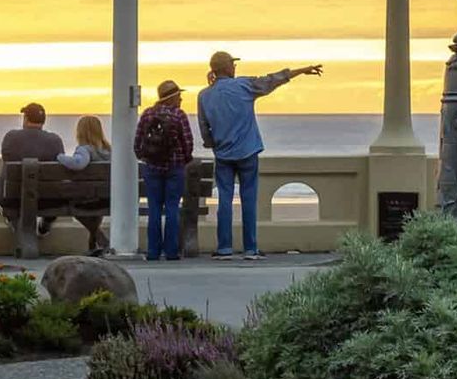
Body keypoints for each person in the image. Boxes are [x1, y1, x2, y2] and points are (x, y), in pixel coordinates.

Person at [197, 51, 323, 260]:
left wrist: (214, 144)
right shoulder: (245, 86)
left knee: (225, 201)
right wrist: (301, 71)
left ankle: (224, 248)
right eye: (232, 64)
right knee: (249, 199)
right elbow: (272, 80)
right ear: (227, 67)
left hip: (223, 154)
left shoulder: (205, 95)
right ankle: (250, 248)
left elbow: (204, 127)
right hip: (247, 151)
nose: (235, 67)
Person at [133, 81, 195, 261]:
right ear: (172, 97)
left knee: (154, 208)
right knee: (172, 208)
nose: (181, 98)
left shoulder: (147, 114)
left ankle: (153, 252)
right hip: (175, 168)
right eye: (179, 95)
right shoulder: (179, 115)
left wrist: (146, 158)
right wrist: (184, 159)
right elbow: (188, 143)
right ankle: (171, 251)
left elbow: (137, 143)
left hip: (152, 168)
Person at [0, 102, 65, 222]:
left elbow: (6, 159)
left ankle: (14, 222)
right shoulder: (55, 140)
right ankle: (45, 224)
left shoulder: (11, 137)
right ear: (43, 121)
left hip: (14, 200)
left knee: (4, 174)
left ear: (25, 119)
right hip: (48, 201)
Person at [55, 115, 111, 255]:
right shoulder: (109, 151)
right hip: (107, 199)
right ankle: (93, 244)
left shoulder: (84, 150)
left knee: (71, 205)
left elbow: (79, 164)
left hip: (88, 200)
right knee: (94, 209)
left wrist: (60, 157)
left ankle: (101, 240)